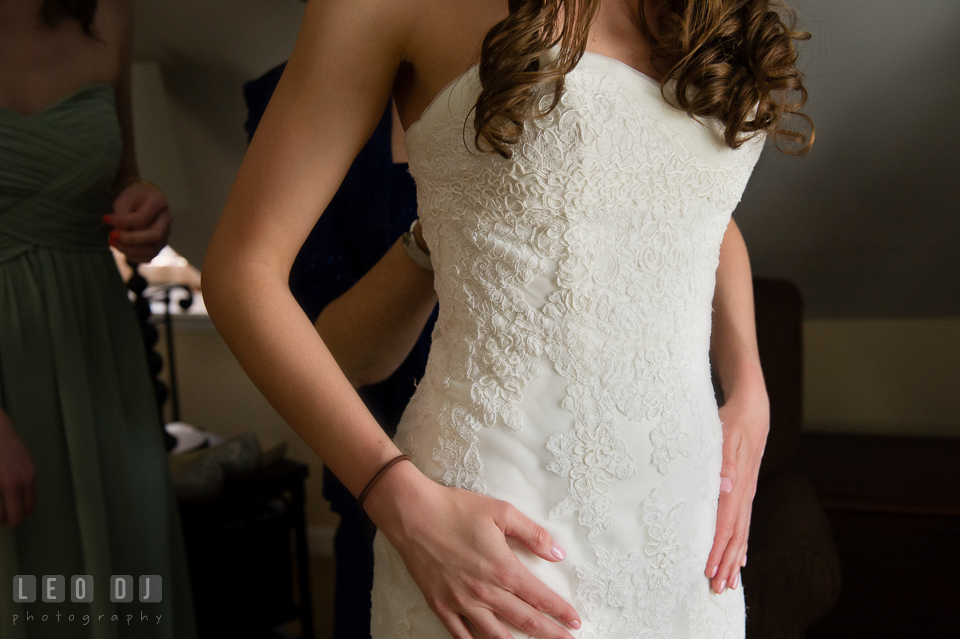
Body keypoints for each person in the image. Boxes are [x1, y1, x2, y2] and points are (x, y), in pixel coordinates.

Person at [204, 0, 812, 637]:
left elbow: (697, 208)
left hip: (685, 542)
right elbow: (242, 274)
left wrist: (749, 386)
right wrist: (396, 498)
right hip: (499, 534)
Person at [0, 1, 197, 636]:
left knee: (127, 567)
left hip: (99, 348)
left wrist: (142, 206)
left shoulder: (107, 11)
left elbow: (122, 176)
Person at [245, 65, 435, 639]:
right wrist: (445, 225)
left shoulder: (572, 50)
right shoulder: (305, 92)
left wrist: (725, 410)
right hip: (389, 470)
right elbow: (340, 354)